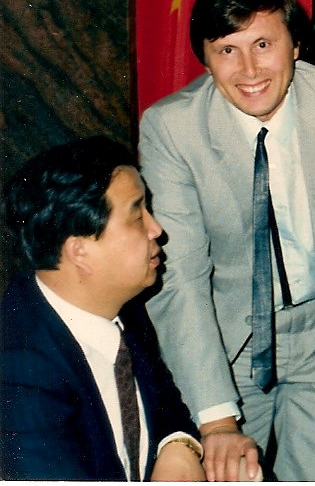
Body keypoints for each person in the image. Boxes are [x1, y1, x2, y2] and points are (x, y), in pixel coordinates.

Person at [140, 0, 315, 480]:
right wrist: (216, 417)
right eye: (226, 50)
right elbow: (182, 281)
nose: (248, 69)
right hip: (223, 342)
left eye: (264, 43)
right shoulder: (171, 130)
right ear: (205, 57)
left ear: (296, 44)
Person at [0, 138, 212, 480]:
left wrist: (179, 447)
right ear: (80, 251)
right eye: (136, 214)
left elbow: (166, 404)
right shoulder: (17, 375)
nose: (156, 229)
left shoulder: (122, 307)